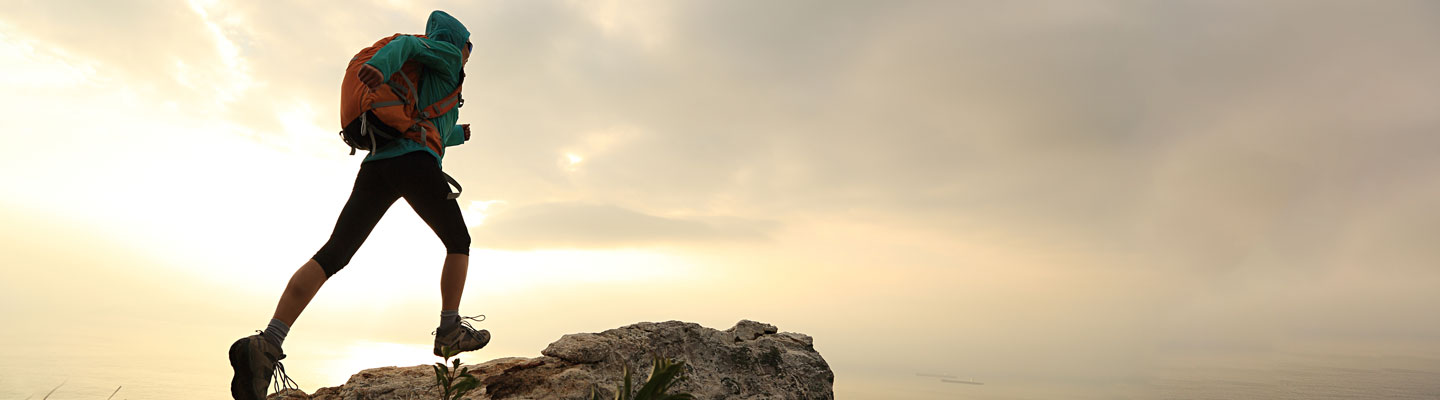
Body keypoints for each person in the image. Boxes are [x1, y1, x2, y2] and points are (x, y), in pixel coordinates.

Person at [228, 10, 488, 400]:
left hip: (379, 164)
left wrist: (455, 136)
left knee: (333, 254)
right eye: (469, 47)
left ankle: (268, 341)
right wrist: (380, 69)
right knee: (459, 241)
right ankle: (449, 329)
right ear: (460, 42)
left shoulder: (428, 76)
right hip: (415, 164)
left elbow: (423, 122)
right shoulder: (446, 54)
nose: (468, 55)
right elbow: (407, 44)